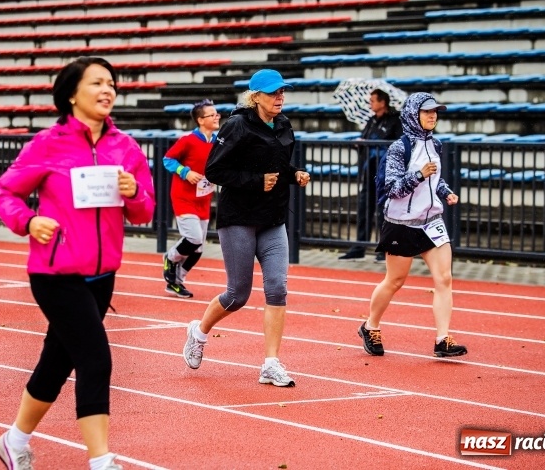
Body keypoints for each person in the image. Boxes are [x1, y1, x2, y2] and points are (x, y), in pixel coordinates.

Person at [0, 56, 155, 470]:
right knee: (95, 358)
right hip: (55, 273)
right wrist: (29, 220)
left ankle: (14, 441)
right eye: (97, 83)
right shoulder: (49, 143)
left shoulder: (126, 148)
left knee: (57, 359)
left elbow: (144, 212)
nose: (108, 90)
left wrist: (134, 190)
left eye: (112, 84)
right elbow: (4, 192)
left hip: (102, 276)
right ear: (70, 94)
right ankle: (101, 461)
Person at [182, 68, 310, 387]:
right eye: (273, 93)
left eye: (282, 92)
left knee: (277, 288)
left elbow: (279, 166)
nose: (280, 97)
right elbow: (215, 170)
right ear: (255, 97)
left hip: (273, 218)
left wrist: (294, 174)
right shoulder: (237, 125)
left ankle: (270, 363)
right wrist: (255, 181)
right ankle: (199, 332)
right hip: (238, 217)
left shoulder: (283, 124)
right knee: (238, 294)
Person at [357, 92, 467, 358]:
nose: (433, 116)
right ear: (412, 115)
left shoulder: (436, 144)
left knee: (444, 278)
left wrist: (445, 191)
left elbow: (435, 179)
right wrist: (419, 175)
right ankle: (370, 326)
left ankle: (443, 339)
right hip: (401, 223)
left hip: (431, 221)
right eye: (427, 112)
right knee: (395, 280)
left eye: (436, 112)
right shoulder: (399, 148)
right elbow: (392, 188)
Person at [161, 98, 219, 298]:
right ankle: (170, 257)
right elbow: (167, 159)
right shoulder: (187, 140)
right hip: (184, 197)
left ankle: (176, 282)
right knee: (193, 238)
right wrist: (185, 172)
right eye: (212, 115)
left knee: (199, 247)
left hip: (204, 198)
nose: (217, 117)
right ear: (201, 120)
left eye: (217, 113)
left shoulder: (218, 142)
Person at [339, 88, 403, 262]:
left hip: (386, 174)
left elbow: (398, 145)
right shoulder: (371, 120)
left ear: (383, 102)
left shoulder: (395, 121)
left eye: (373, 100)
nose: (370, 103)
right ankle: (359, 247)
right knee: (364, 207)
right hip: (369, 172)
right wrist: (360, 143)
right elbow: (365, 138)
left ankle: (385, 249)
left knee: (384, 211)